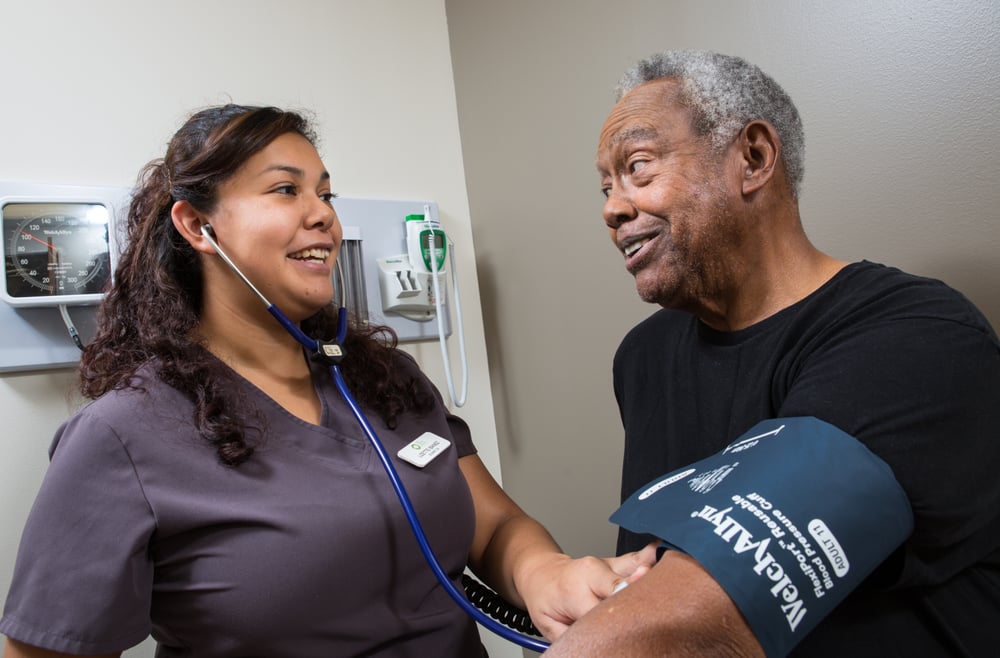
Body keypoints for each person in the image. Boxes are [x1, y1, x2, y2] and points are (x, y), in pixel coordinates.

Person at [0, 104, 655, 657]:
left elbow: (491, 527)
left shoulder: (384, 381)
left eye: (326, 194)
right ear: (198, 226)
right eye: (286, 190)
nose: (323, 216)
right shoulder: (123, 435)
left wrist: (548, 575)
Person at [545, 50, 1000, 657]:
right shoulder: (643, 358)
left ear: (754, 158)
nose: (612, 207)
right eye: (606, 186)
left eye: (639, 167)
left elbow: (696, 618)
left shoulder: (923, 337)